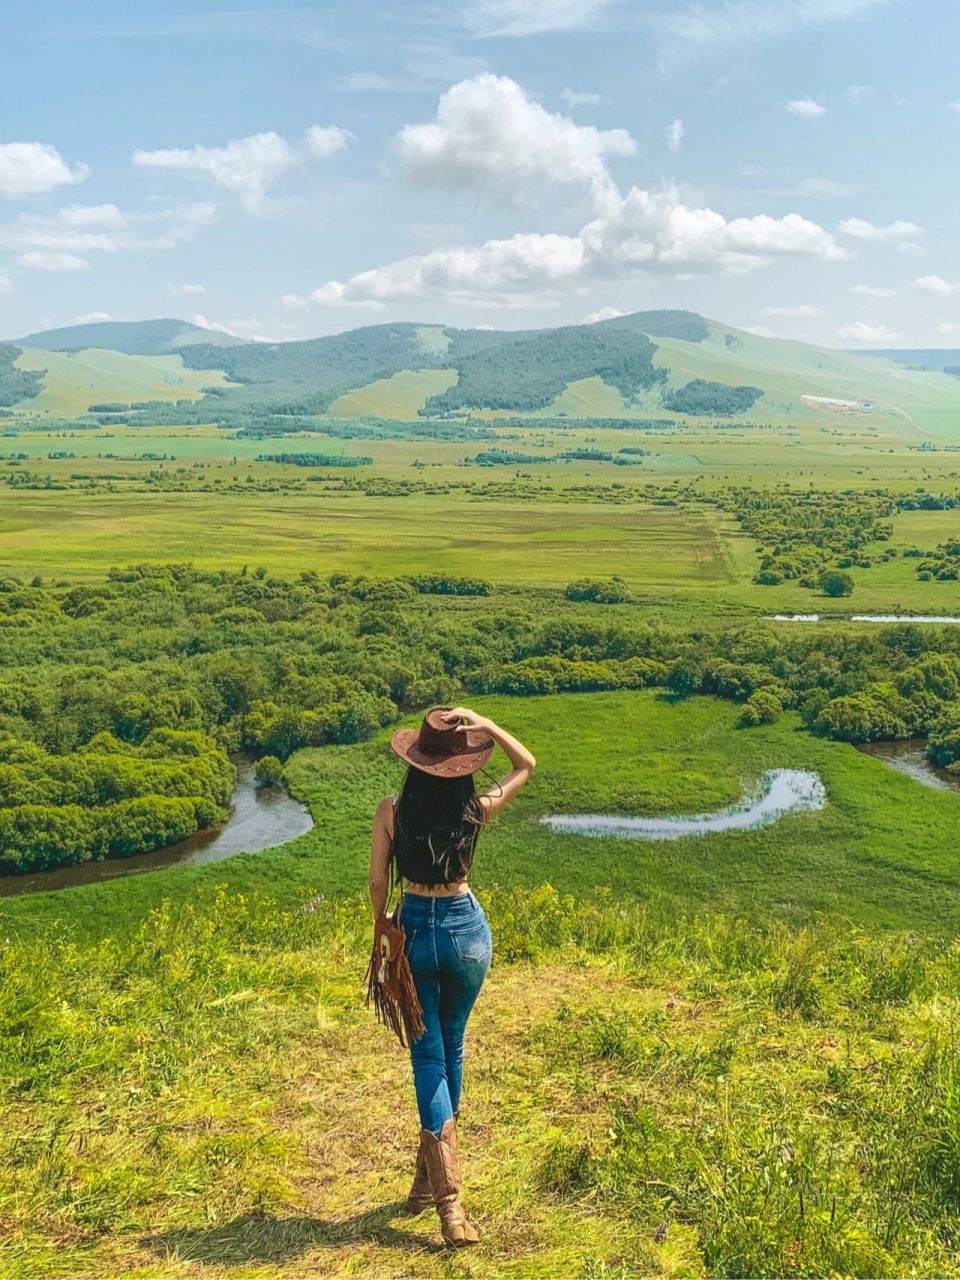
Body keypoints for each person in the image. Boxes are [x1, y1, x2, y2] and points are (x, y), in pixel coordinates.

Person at [368, 705, 536, 1249]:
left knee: (428, 1056)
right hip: (466, 930)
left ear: (415, 760)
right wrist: (484, 723)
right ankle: (426, 1186)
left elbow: (376, 883)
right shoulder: (474, 807)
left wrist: (381, 928)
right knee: (452, 1046)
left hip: (414, 927)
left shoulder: (392, 809)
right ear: (461, 765)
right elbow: (526, 763)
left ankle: (450, 1206)